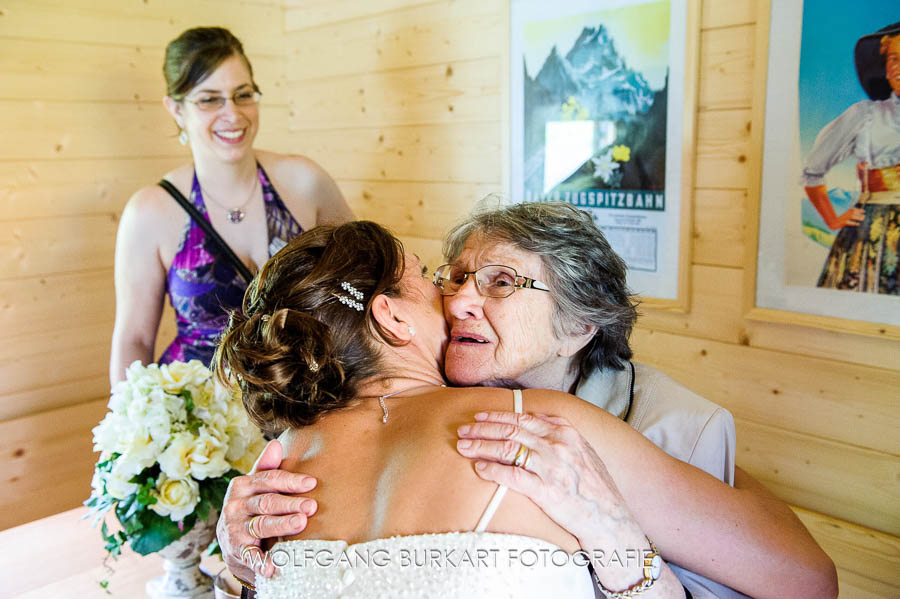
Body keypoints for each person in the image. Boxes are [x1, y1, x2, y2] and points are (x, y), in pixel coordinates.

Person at [218, 204, 837, 598]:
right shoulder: (269, 487)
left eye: (501, 282)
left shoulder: (290, 456)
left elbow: (803, 579)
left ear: (578, 326)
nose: (456, 300)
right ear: (390, 318)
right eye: (447, 278)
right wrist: (236, 574)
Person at [109, 27, 353, 383]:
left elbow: (361, 280)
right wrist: (130, 427)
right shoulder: (150, 211)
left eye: (243, 94)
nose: (233, 114)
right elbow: (135, 339)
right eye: (210, 99)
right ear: (176, 108)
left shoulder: (305, 181)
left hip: (303, 404)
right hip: (200, 418)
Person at [802, 22, 900, 293]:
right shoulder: (865, 114)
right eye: (893, 58)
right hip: (875, 235)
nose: (897, 67)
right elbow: (813, 169)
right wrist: (832, 220)